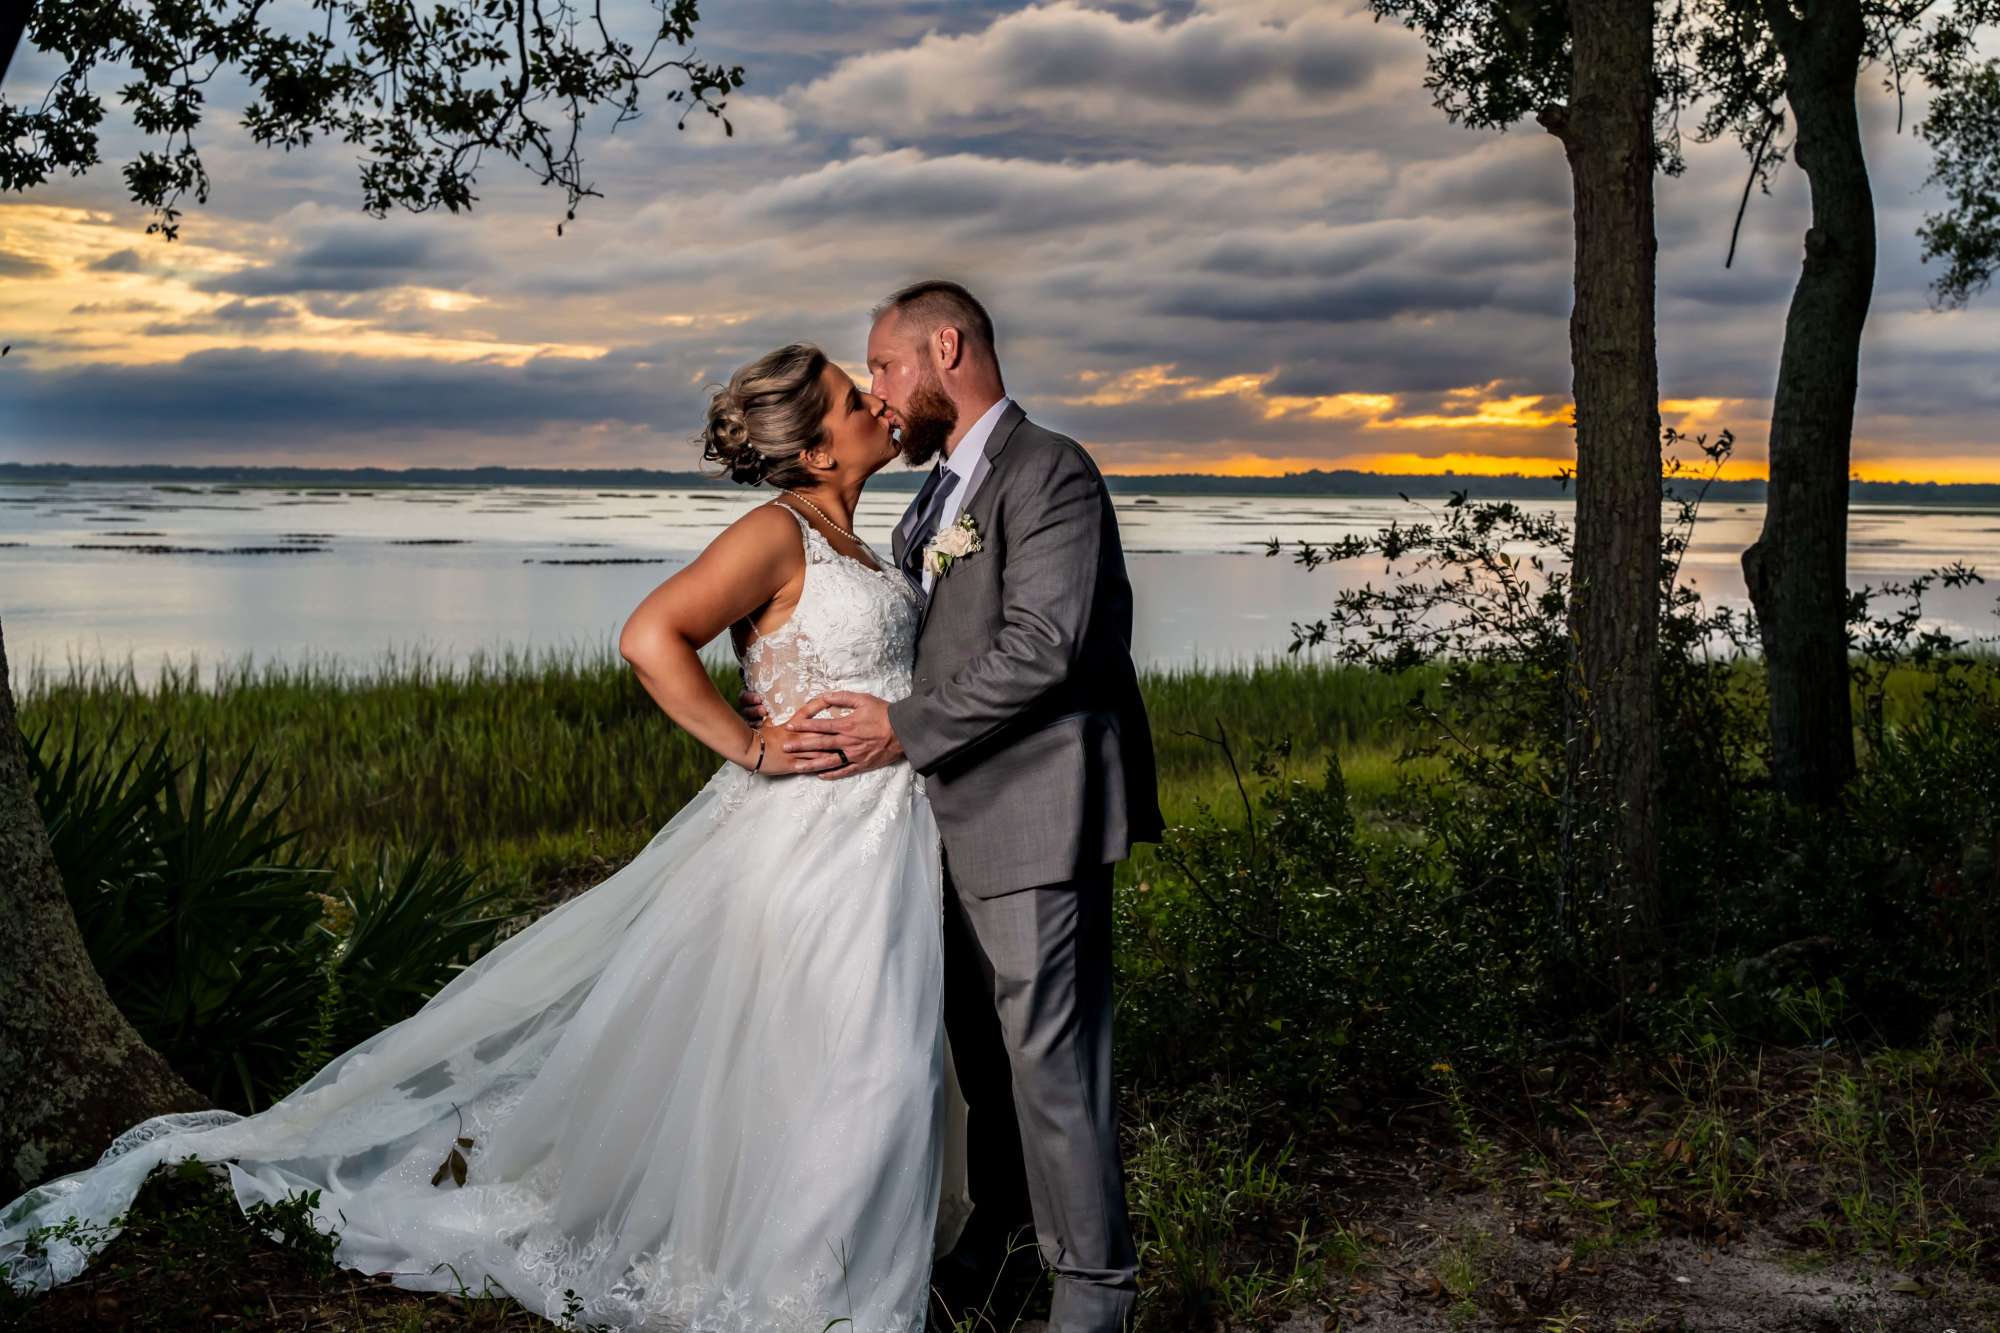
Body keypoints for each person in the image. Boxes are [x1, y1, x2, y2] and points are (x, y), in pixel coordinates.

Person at [0, 342, 970, 1333]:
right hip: (803, 838)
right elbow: (648, 635)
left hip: (881, 840)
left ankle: (831, 1272)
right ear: (813, 449)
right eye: (857, 400)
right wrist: (751, 746)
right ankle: (809, 1298)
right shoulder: (774, 533)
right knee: (854, 1062)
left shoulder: (863, 541)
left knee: (866, 1056)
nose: (877, 407)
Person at [748, 280, 1165, 1333]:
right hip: (939, 825)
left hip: (1033, 814)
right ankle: (1003, 1241)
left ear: (947, 346)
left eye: (885, 367)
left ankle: (1095, 1298)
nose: (881, 396)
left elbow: (1045, 649)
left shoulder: (1049, 471)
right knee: (980, 1064)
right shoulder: (933, 498)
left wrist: (901, 725)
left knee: (1054, 1068)